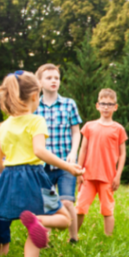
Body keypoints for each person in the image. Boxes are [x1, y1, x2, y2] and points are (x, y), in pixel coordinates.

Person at [0, 70, 84, 257]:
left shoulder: (3, 126)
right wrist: (68, 167)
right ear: (35, 96)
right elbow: (40, 151)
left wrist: (9, 177)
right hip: (36, 179)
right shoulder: (36, 120)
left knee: (34, 228)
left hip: (10, 180)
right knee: (64, 219)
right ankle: (38, 221)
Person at [35, 64, 82, 243]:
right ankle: (44, 240)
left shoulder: (69, 104)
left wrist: (73, 152)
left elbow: (76, 131)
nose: (53, 81)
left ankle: (73, 238)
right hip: (42, 165)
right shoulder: (34, 106)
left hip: (65, 163)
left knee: (67, 202)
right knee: (44, 204)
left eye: (56, 77)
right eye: (49, 78)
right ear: (40, 82)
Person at [75, 89, 128, 236]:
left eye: (110, 104)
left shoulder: (118, 129)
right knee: (79, 208)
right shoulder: (89, 126)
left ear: (115, 107)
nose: (106, 107)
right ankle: (73, 237)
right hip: (88, 175)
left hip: (108, 177)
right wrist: (79, 171)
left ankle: (108, 238)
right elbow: (83, 150)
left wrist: (118, 176)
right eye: (103, 104)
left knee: (107, 210)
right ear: (97, 105)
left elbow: (123, 154)